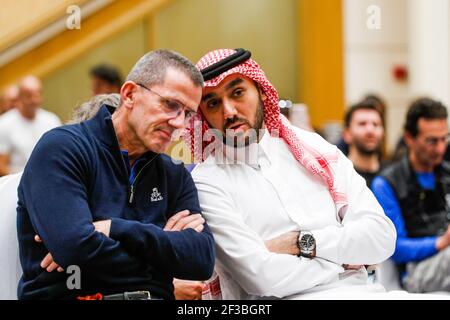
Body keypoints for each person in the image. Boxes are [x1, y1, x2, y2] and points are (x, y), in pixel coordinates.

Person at [186, 48, 396, 299]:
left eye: (237, 93)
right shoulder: (207, 182)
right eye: (213, 103)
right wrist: (342, 262)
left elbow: (382, 237)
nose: (229, 111)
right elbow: (262, 277)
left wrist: (300, 243)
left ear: (262, 91)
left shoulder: (315, 148)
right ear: (203, 117)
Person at [17, 50, 215, 300]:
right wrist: (163, 253)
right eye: (171, 104)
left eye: (187, 114)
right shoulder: (63, 148)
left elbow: (202, 260)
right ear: (130, 94)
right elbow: (75, 250)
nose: (179, 123)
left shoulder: (173, 172)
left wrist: (115, 228)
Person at [372, 98, 450, 293]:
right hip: (415, 271)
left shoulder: (446, 172)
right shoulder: (386, 184)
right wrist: (441, 242)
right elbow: (394, 247)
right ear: (409, 138)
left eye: (445, 139)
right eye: (432, 141)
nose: (441, 148)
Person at [0, 76, 61, 176]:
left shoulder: (51, 119)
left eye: (38, 94)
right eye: (29, 95)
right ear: (19, 97)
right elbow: (1, 166)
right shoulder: (4, 124)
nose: (34, 100)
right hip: (19, 182)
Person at [343, 99, 385, 187]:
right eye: (362, 124)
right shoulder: (340, 175)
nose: (370, 130)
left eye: (376, 124)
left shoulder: (393, 176)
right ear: (347, 134)